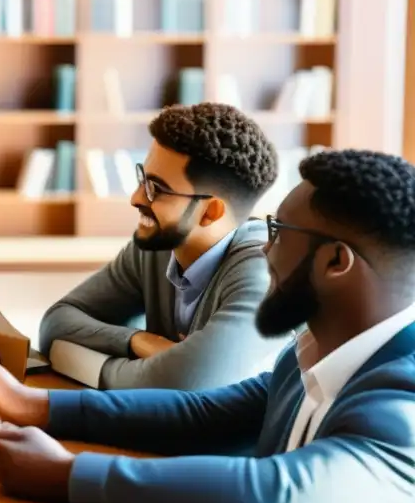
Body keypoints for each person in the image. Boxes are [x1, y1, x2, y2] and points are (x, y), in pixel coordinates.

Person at [0, 148, 415, 503]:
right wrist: (37, 405)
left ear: (336, 262)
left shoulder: (405, 400)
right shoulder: (314, 351)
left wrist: (64, 475)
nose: (264, 248)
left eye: (278, 232)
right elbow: (208, 413)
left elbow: (274, 495)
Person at [39, 102, 284, 390]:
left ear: (211, 212)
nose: (135, 197)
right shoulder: (154, 249)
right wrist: (139, 341)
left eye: (157, 189)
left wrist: (87, 366)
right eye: (143, 177)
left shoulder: (265, 273)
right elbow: (55, 325)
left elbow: (187, 383)